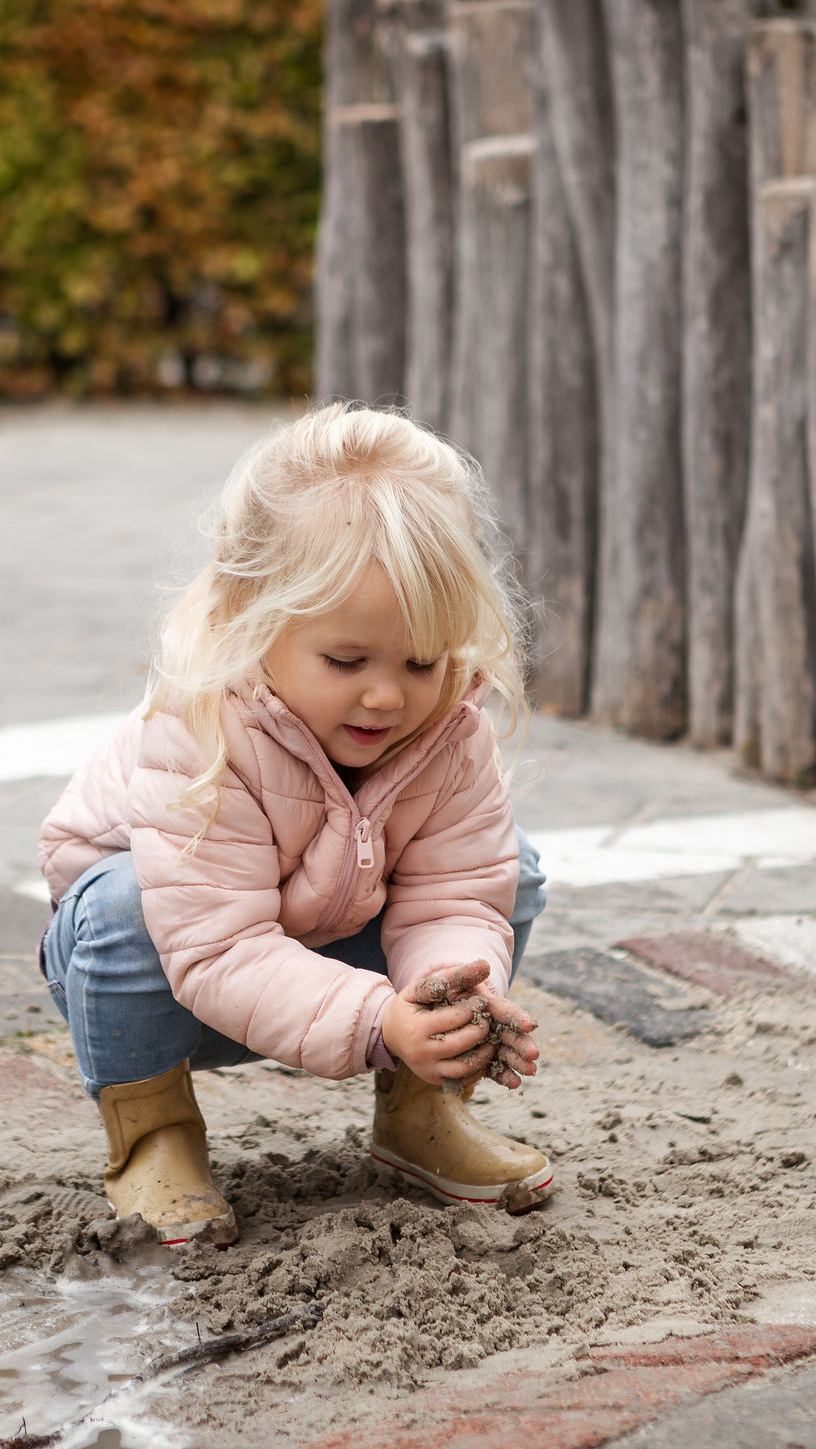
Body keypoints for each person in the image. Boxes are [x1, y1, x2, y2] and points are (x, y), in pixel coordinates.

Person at [37, 403, 552, 1249]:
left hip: (322, 947)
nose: (387, 696)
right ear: (253, 618)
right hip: (162, 982)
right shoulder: (200, 727)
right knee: (124, 905)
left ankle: (422, 1110)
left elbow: (456, 893)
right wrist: (379, 1023)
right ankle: (155, 1137)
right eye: (347, 661)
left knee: (512, 868)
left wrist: (448, 1007)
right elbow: (218, 947)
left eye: (421, 661)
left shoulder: (448, 729)